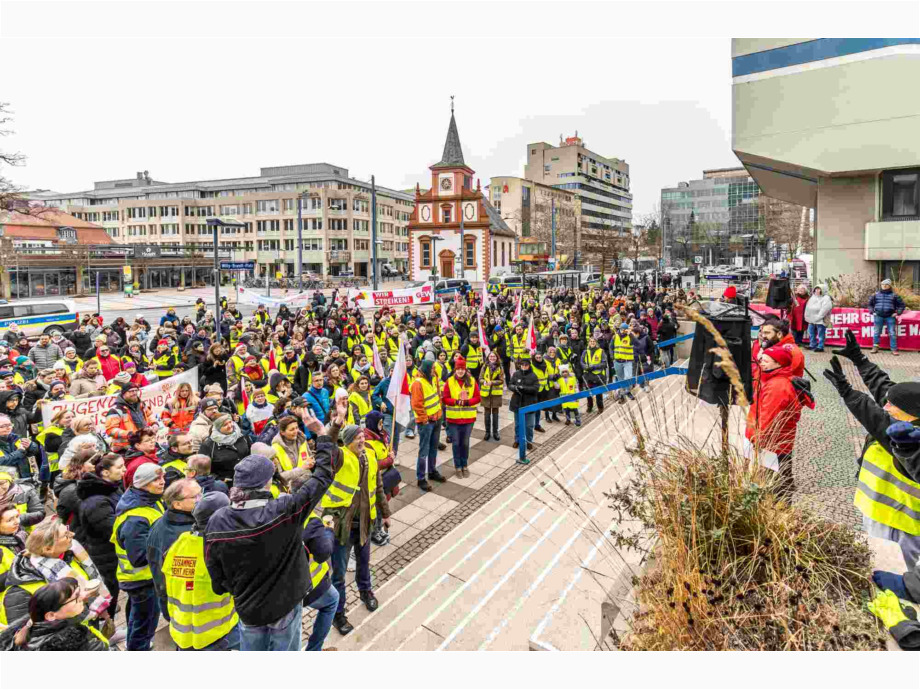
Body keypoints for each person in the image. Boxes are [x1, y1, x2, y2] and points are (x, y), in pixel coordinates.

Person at [203, 404, 338, 652]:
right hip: (284, 603)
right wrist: (322, 434)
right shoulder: (283, 509)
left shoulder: (218, 520)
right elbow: (322, 478)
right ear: (266, 482)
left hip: (247, 607)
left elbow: (216, 573)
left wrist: (234, 589)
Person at [823, 331, 920, 568]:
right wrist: (860, 360)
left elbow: (877, 419)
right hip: (879, 510)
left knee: (894, 572)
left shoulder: (907, 437)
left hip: (899, 522)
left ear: (911, 414)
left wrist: (848, 392)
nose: (885, 405)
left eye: (891, 405)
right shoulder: (909, 414)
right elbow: (885, 389)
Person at [323, 423, 390, 636]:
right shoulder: (339, 457)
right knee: (339, 574)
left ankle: (365, 591)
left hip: (365, 523)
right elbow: (328, 447)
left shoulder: (370, 456)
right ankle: (338, 614)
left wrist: (385, 513)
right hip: (342, 526)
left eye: (362, 436)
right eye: (356, 438)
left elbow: (378, 487)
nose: (361, 440)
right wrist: (334, 426)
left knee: (364, 562)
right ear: (347, 440)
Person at [111, 462, 166, 650]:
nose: (162, 482)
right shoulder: (135, 517)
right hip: (142, 580)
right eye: (156, 479)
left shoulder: (150, 499)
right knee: (145, 623)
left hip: (145, 579)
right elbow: (139, 557)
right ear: (142, 483)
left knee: (137, 616)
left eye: (162, 478)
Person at [745, 345, 814, 493]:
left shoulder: (777, 386)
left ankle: (779, 505)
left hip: (772, 442)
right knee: (781, 472)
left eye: (767, 361)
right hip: (778, 441)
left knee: (772, 483)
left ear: (779, 364)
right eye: (762, 359)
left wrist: (757, 440)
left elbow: (768, 418)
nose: (762, 363)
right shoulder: (774, 378)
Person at [76, 453, 125, 619]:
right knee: (110, 592)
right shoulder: (96, 502)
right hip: (106, 554)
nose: (124, 470)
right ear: (105, 472)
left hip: (111, 552)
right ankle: (106, 625)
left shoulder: (111, 487)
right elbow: (114, 529)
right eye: (119, 467)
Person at [0, 578, 109, 651]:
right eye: (76, 596)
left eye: (79, 591)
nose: (83, 596)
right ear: (51, 615)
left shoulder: (30, 627)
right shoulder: (72, 643)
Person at [442, 356, 480, 478]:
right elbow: (445, 398)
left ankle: (464, 465)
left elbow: (478, 398)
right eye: (458, 369)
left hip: (468, 418)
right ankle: (457, 466)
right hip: (453, 419)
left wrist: (468, 402)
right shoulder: (450, 381)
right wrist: (456, 402)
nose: (460, 371)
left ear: (465, 369)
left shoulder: (472, 381)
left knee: (465, 443)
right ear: (455, 369)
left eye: (462, 369)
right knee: (456, 443)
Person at [411, 360, 445, 492]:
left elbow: (437, 395)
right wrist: (425, 420)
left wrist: (440, 413)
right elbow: (417, 405)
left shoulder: (433, 377)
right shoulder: (417, 383)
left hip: (436, 418)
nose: (434, 371)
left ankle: (432, 471)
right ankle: (421, 478)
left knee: (433, 448)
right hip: (426, 423)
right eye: (432, 369)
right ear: (425, 369)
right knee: (424, 451)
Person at [105, 382, 156, 454]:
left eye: (136, 390)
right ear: (124, 393)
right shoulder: (115, 410)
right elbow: (111, 430)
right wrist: (129, 434)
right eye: (131, 391)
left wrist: (154, 424)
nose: (134, 393)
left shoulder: (141, 404)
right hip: (125, 448)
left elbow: (149, 414)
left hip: (142, 443)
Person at [198, 414, 251, 484]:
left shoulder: (242, 435)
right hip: (226, 485)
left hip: (247, 479)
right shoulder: (208, 445)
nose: (230, 426)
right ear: (218, 428)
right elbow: (201, 470)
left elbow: (250, 454)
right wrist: (219, 480)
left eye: (230, 422)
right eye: (225, 425)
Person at [869, 278, 906, 356]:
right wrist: (872, 312)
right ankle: (875, 347)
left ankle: (894, 349)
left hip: (890, 316)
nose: (884, 286)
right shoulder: (875, 295)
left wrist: (897, 313)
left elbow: (902, 305)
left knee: (892, 333)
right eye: (883, 284)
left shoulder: (894, 295)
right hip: (878, 316)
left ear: (889, 286)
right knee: (876, 332)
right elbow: (870, 304)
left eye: (886, 285)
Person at [509, 358, 539, 451]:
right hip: (517, 403)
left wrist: (524, 388)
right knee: (518, 425)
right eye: (522, 365)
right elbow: (510, 384)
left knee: (529, 425)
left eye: (526, 365)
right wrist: (515, 387)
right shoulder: (516, 374)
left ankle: (529, 441)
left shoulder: (533, 376)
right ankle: (517, 440)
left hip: (529, 403)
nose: (524, 367)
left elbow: (536, 388)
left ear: (529, 366)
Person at [479, 350, 504, 442]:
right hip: (486, 393)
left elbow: (501, 380)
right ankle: (487, 432)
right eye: (490, 357)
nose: (492, 358)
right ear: (488, 358)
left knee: (495, 413)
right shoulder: (484, 366)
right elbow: (480, 378)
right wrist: (484, 382)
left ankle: (495, 432)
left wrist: (492, 382)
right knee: (487, 413)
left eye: (494, 356)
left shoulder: (500, 367)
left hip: (496, 394)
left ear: (497, 358)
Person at [804, 284, 833, 352]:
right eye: (816, 289)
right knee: (811, 332)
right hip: (811, 319)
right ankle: (812, 345)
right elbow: (808, 307)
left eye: (819, 289)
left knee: (820, 333)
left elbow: (825, 309)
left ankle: (820, 346)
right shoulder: (813, 297)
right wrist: (807, 317)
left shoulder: (826, 298)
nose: (817, 291)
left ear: (823, 290)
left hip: (821, 320)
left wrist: (818, 317)